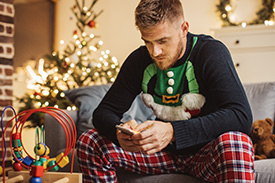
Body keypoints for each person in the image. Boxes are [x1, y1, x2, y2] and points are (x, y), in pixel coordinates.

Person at [77, 0, 255, 182]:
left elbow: (240, 116)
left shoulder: (210, 52)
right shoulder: (139, 59)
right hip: (161, 154)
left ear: (184, 29)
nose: (155, 52)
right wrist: (119, 132)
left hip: (207, 154)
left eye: (163, 41)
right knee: (90, 141)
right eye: (148, 42)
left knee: (236, 143)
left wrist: (173, 131)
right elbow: (103, 112)